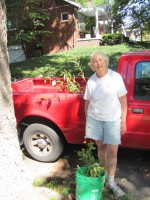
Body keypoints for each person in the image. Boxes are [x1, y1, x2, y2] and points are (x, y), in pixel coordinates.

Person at [84, 52, 127, 197]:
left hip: (113, 119)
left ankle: (111, 182)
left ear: (106, 62)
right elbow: (87, 102)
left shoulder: (115, 77)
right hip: (95, 119)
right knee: (101, 147)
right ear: (92, 65)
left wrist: (123, 121)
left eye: (100, 60)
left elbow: (123, 102)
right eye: (95, 61)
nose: (98, 63)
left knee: (113, 152)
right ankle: (102, 179)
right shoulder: (91, 81)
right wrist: (88, 120)